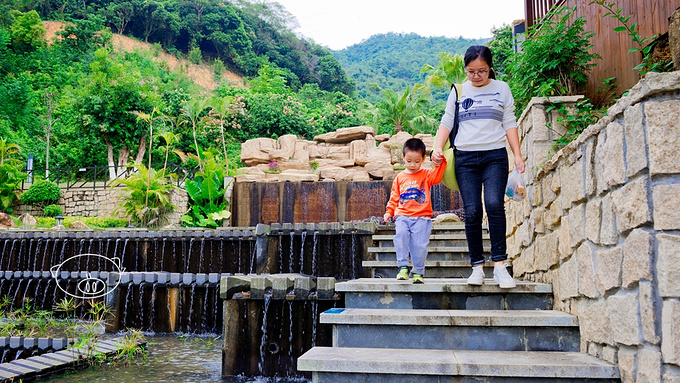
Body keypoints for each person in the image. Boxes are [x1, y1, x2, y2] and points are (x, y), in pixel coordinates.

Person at [431, 45, 525, 289]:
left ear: (490, 68)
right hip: (465, 158)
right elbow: (446, 122)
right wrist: (437, 148)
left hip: (495, 155)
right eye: (471, 71)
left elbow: (509, 122)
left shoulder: (501, 88)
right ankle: (477, 267)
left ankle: (500, 266)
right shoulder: (459, 91)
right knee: (472, 211)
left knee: (494, 204)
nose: (476, 76)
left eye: (482, 71)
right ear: (466, 69)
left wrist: (517, 155)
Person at [384, 138, 447, 284]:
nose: (413, 165)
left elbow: (437, 178)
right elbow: (394, 197)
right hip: (402, 216)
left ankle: (418, 272)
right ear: (403, 158)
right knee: (400, 236)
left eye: (417, 161)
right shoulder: (399, 177)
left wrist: (441, 162)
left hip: (422, 217)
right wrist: (389, 212)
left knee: (419, 245)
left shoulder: (425, 174)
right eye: (409, 161)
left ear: (423, 159)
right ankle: (403, 267)